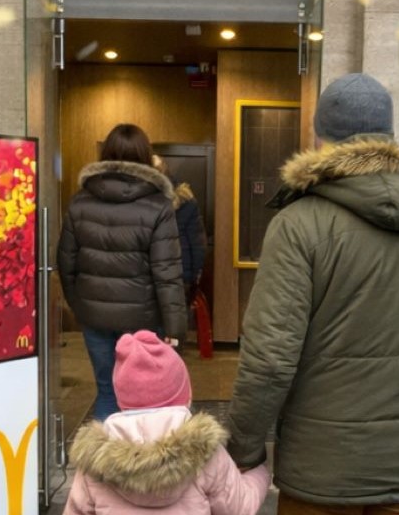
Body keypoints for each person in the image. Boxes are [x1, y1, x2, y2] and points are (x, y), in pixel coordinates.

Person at [225, 73, 399, 515]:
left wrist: (243, 448)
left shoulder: (298, 224)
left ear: (319, 138)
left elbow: (271, 358)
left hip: (321, 470)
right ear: (390, 135)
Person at [58, 124, 188, 420]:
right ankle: (139, 451)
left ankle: (107, 452)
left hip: (95, 318)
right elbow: (167, 273)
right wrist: (175, 328)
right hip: (144, 320)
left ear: (106, 154)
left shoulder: (80, 202)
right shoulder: (159, 206)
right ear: (145, 156)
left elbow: (65, 262)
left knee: (107, 391)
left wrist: (81, 307)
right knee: (145, 397)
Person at [65, 330, 270, 515]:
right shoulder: (206, 454)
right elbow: (240, 508)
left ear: (121, 401)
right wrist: (261, 472)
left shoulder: (95, 464)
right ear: (185, 397)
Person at [154, 155, 209, 309]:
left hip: (147, 277)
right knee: (177, 318)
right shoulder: (186, 200)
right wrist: (195, 277)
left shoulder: (141, 202)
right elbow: (197, 243)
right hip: (180, 275)